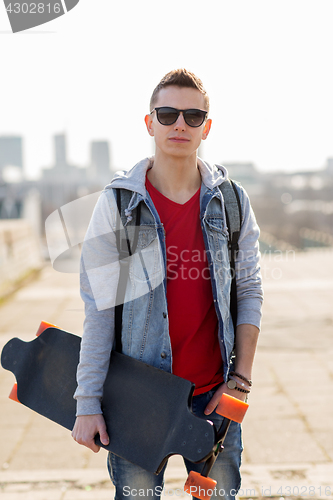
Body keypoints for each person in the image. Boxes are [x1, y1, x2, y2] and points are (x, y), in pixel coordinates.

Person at [72, 69, 263, 500]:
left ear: (206, 128)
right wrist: (87, 403)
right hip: (137, 401)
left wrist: (240, 382)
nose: (180, 124)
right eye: (168, 113)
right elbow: (100, 307)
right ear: (149, 122)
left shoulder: (231, 201)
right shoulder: (119, 204)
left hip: (216, 400)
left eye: (194, 116)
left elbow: (248, 290)